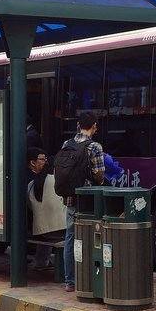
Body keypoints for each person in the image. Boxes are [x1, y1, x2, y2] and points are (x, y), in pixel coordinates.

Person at [61, 112, 105, 292]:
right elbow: (99, 175)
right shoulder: (95, 147)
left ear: (78, 125)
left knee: (70, 237)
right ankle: (88, 279)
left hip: (70, 198)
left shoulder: (66, 144)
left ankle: (70, 282)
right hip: (88, 200)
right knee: (91, 237)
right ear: (94, 126)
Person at [26, 147, 54, 271]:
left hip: (35, 224)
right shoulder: (32, 180)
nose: (45, 162)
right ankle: (42, 261)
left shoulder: (34, 178)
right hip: (33, 225)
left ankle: (42, 261)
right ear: (32, 162)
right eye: (42, 159)